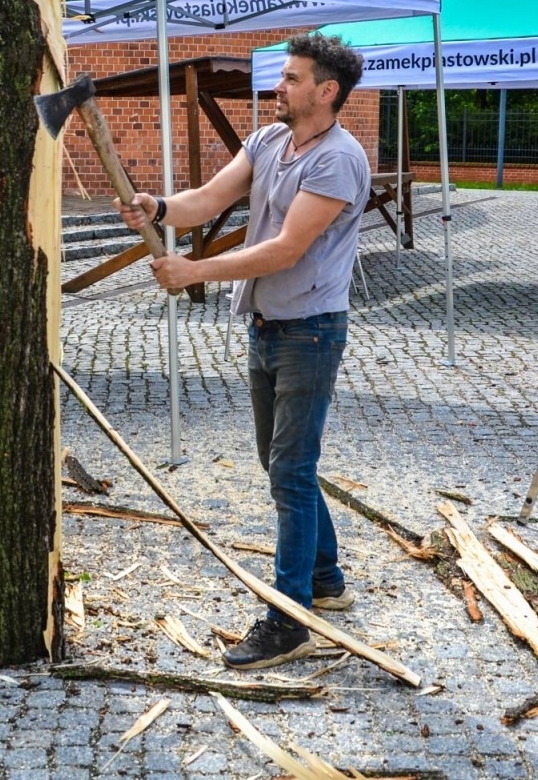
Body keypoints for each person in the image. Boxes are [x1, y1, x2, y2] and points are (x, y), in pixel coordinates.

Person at [117, 33, 369, 670]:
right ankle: (326, 578)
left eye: (290, 79)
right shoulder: (268, 142)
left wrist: (194, 273)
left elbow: (286, 249)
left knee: (288, 469)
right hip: (267, 325)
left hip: (310, 331)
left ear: (326, 91)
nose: (276, 88)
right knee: (282, 462)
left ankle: (289, 621)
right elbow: (208, 200)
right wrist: (160, 206)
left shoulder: (337, 160)